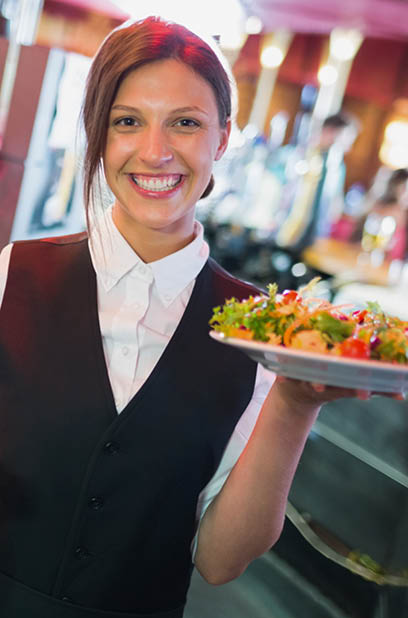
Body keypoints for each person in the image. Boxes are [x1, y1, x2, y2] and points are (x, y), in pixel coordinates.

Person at [0, 17, 399, 618]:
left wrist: (294, 404)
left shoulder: (261, 334)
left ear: (223, 138)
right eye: (127, 121)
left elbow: (220, 561)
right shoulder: (13, 274)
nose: (155, 151)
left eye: (185, 123)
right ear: (99, 136)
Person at [274, 112, 359, 253]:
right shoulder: (299, 154)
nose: (348, 147)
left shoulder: (338, 167)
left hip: (316, 234)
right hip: (285, 229)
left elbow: (335, 204)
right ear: (328, 131)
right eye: (346, 139)